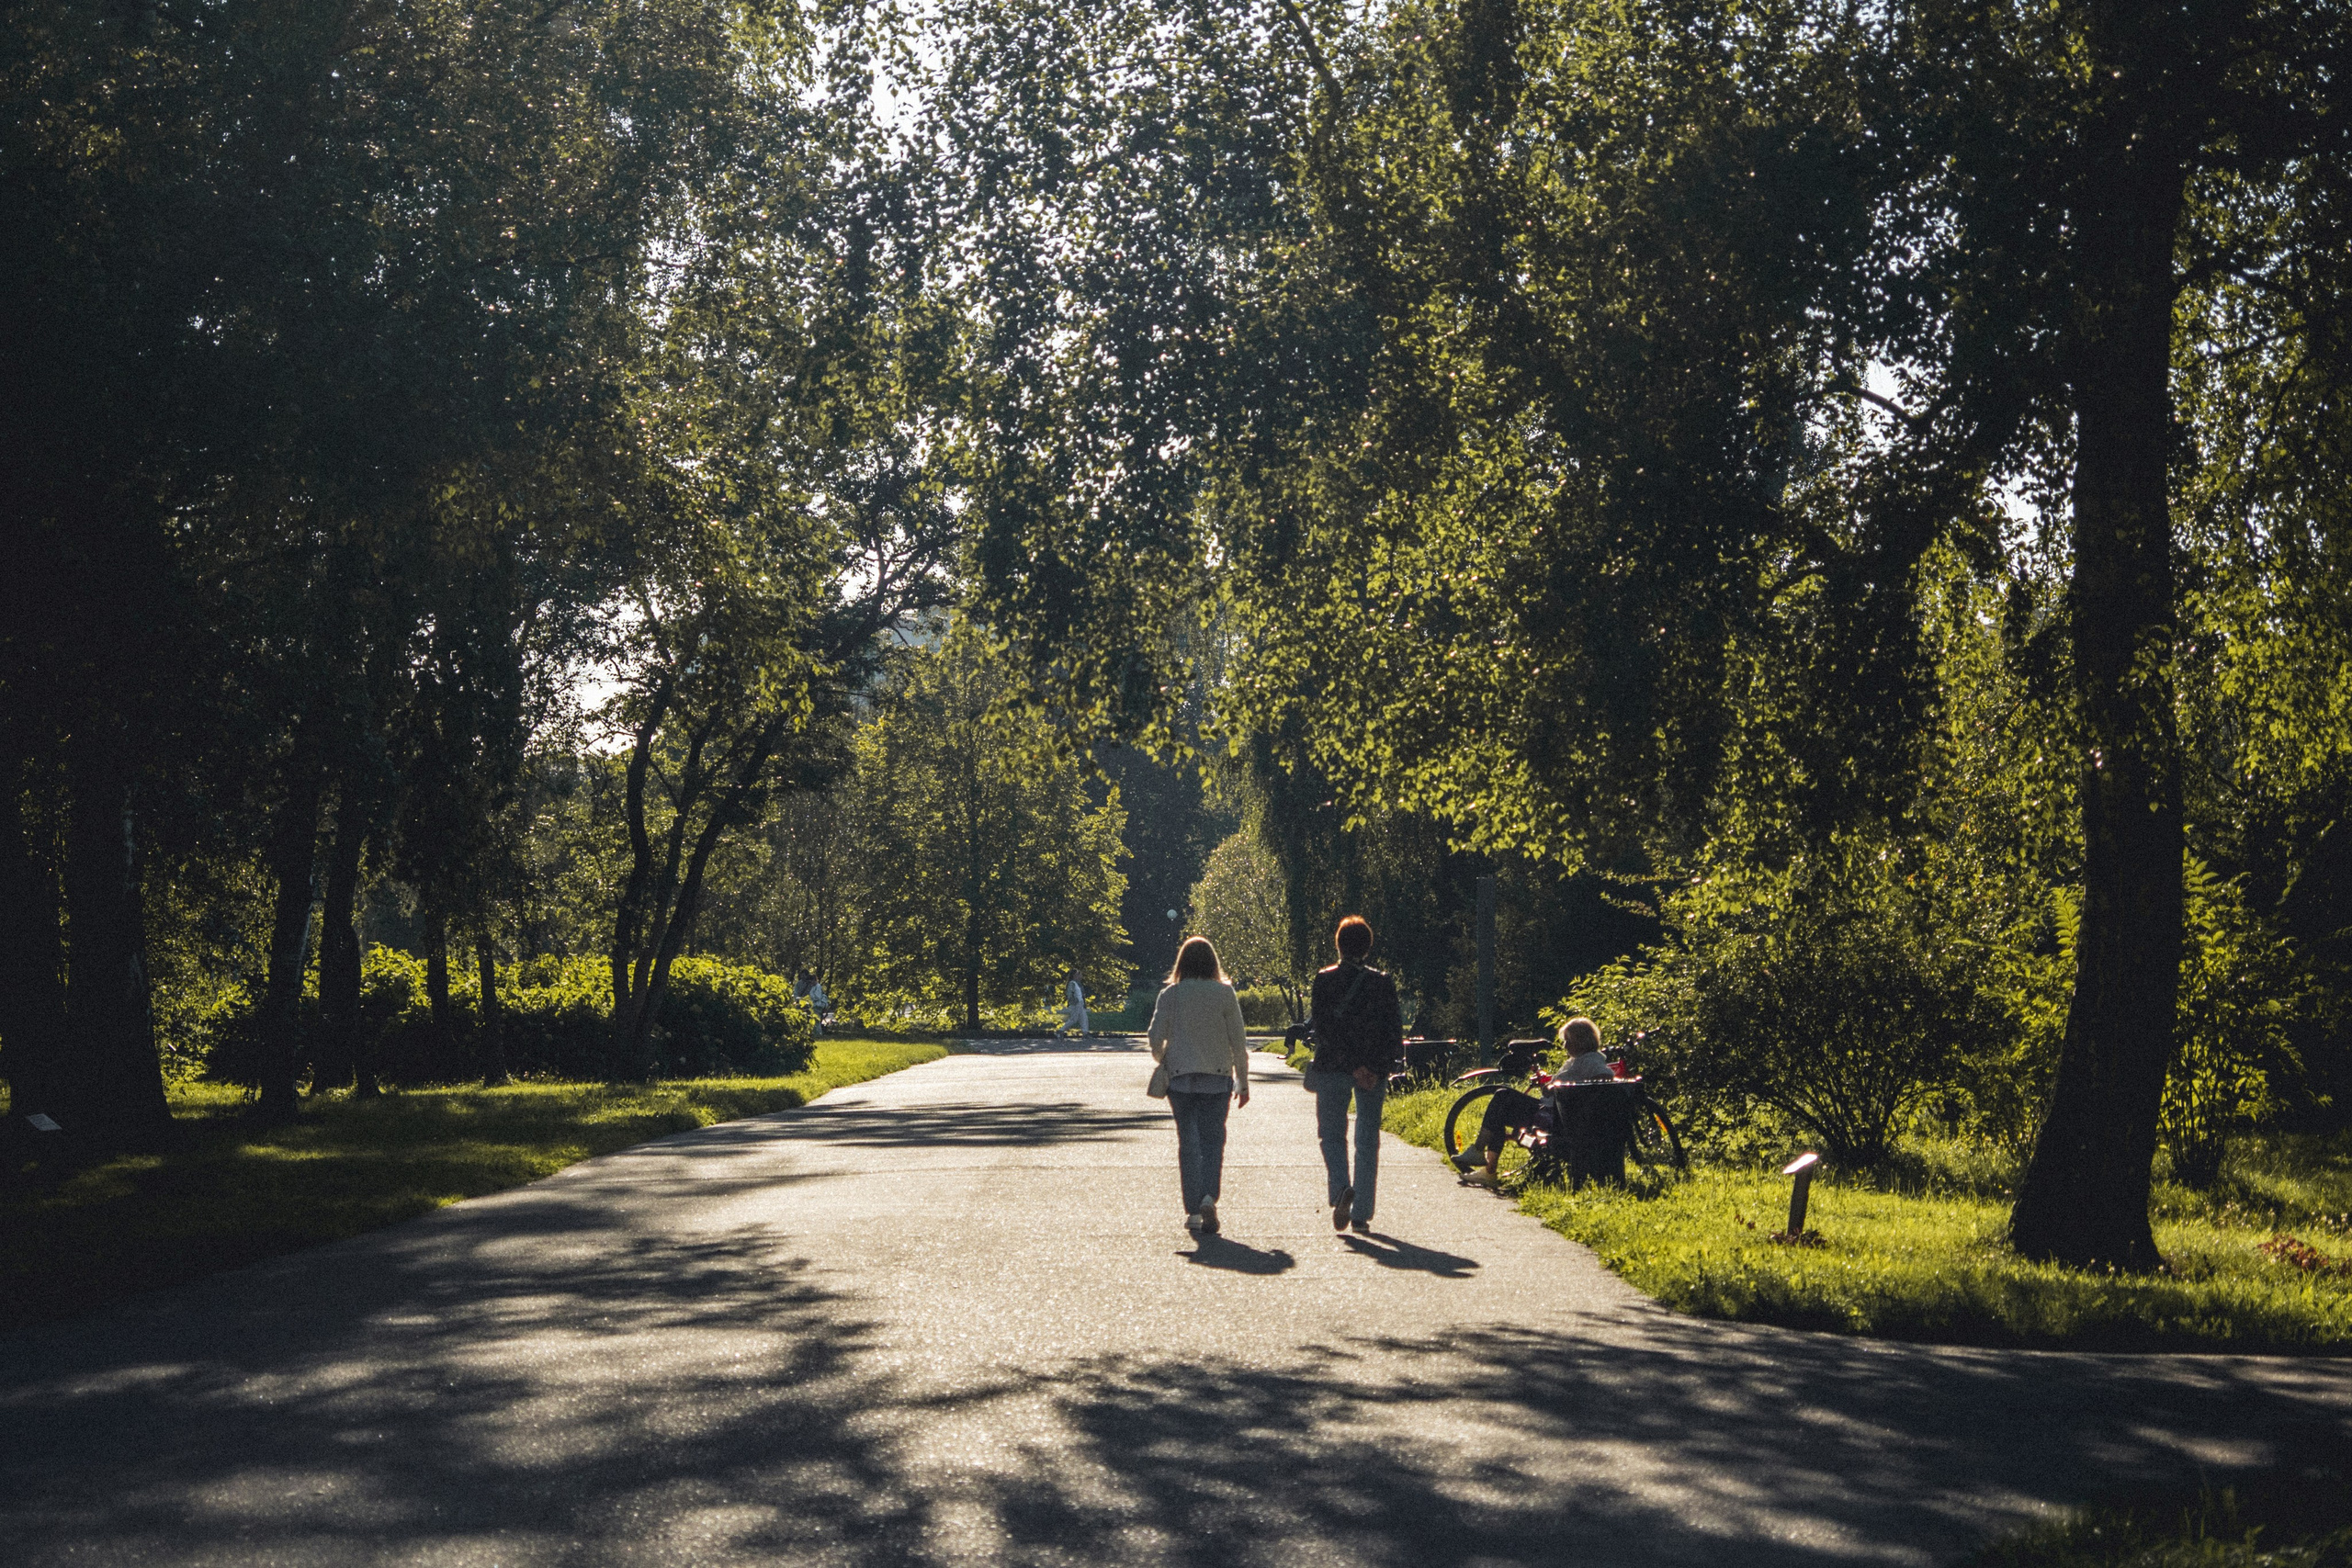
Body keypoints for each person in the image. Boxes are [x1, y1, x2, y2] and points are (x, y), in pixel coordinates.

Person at [1146, 936, 1252, 1235]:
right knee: (1213, 1141)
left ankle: (1193, 1209)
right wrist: (1243, 1081)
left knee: (1188, 1144)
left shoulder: (1171, 995)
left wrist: (1163, 1057)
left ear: (1181, 963)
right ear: (1212, 963)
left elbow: (1155, 1036)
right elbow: (1238, 1041)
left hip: (1179, 1077)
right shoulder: (1224, 994)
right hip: (1217, 1078)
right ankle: (1208, 1196)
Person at [1305, 916, 1403, 1233]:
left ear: (1339, 944)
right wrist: (1374, 1067)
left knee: (1331, 1134)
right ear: (1368, 946)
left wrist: (1350, 1064)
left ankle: (1340, 1190)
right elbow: (1392, 1031)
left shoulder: (1324, 979)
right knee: (1367, 1139)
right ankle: (1361, 1212)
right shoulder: (1383, 982)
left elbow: (1322, 1029)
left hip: (1334, 1066)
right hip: (1372, 1073)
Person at [1453, 1017, 1611, 1186]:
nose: (1564, 1046)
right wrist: (1554, 1086)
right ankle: (1486, 1167)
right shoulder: (1577, 1061)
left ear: (1580, 1040)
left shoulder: (1591, 1060)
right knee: (1501, 1104)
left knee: (1502, 1097)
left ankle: (1481, 1156)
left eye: (1568, 1041)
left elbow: (1605, 1076)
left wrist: (1562, 1087)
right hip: (1552, 1111)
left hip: (1556, 1117)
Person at [1061, 972, 1090, 1036]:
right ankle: (1061, 1030)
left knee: (1084, 1018)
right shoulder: (1072, 983)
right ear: (1074, 976)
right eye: (1078, 975)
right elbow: (1070, 994)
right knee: (1074, 1019)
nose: (1080, 976)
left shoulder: (1078, 984)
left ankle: (1085, 1032)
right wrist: (1074, 1001)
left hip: (1080, 1002)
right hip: (1076, 1003)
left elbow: (1081, 994)